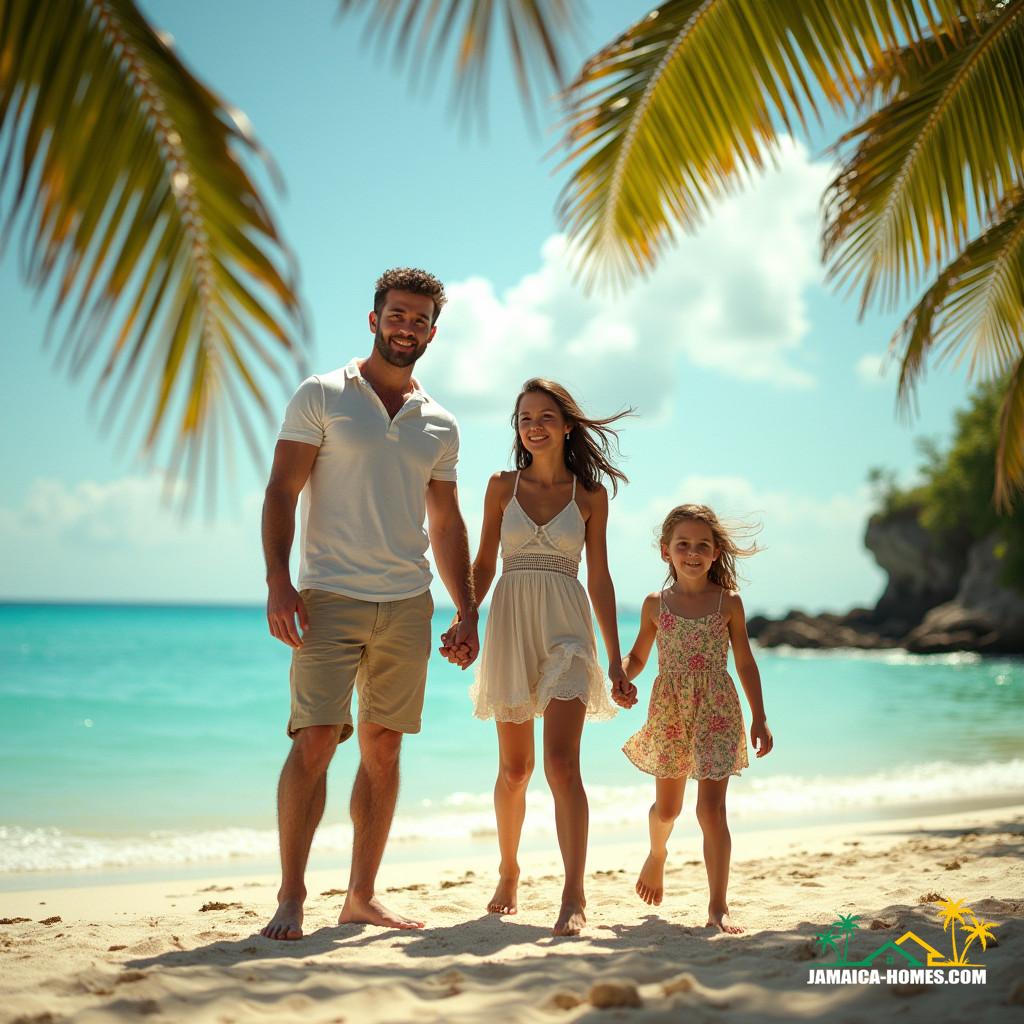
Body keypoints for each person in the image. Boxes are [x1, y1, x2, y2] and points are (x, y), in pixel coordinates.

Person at [260, 268, 478, 940]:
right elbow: (281, 491)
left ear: (432, 333)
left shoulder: (439, 422)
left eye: (418, 319)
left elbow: (445, 523)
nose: (406, 326)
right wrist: (277, 580)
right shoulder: (322, 394)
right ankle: (292, 895)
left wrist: (466, 608)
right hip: (326, 595)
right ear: (374, 318)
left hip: (407, 602)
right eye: (396, 314)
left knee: (383, 750)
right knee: (316, 739)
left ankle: (360, 896)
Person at [444, 379, 632, 936]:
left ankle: (574, 892)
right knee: (516, 769)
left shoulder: (590, 496)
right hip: (510, 620)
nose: (534, 425)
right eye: (525, 417)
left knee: (562, 765)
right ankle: (508, 870)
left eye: (545, 416)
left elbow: (600, 577)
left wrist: (617, 662)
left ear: (567, 425)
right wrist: (466, 615)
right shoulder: (501, 487)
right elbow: (481, 563)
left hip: (568, 624)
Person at [618, 504, 773, 933]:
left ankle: (718, 906)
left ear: (716, 552)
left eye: (702, 545)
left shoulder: (728, 603)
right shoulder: (655, 604)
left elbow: (744, 663)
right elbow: (637, 657)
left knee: (712, 811)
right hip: (670, 709)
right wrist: (618, 677)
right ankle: (657, 853)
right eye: (682, 544)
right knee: (667, 810)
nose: (692, 552)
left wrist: (759, 717)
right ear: (665, 551)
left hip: (717, 709)